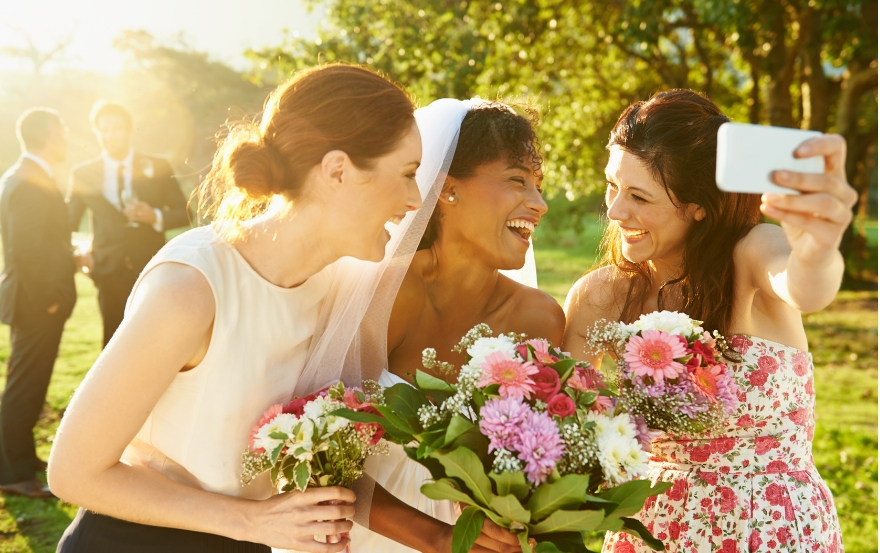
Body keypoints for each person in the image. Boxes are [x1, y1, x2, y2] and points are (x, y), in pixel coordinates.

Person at [49, 65, 518, 553]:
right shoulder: (193, 286)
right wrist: (252, 522)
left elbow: (324, 457)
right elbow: (74, 471)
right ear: (337, 170)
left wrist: (443, 537)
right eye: (405, 175)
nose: (414, 199)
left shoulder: (339, 287)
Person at [562, 90, 852, 552]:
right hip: (654, 530)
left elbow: (807, 287)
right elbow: (565, 433)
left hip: (769, 527)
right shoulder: (599, 295)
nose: (615, 211)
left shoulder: (753, 252)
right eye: (612, 185)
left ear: (698, 205)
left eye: (639, 196)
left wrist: (818, 246)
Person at [350, 99, 565, 552]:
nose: (540, 204)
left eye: (539, 185)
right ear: (447, 189)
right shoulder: (386, 295)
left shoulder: (538, 319)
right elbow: (317, 447)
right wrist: (440, 540)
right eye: (517, 181)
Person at [67, 101, 189, 347]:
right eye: (104, 130)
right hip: (108, 270)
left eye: (117, 129)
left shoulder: (158, 165)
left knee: (155, 340)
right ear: (97, 132)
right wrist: (80, 251)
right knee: (112, 343)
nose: (110, 135)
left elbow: (185, 213)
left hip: (151, 267)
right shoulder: (83, 173)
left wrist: (154, 215)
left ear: (129, 130)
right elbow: (66, 222)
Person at [0, 108, 76, 498]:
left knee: (29, 383)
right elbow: (26, 251)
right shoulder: (29, 182)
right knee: (24, 386)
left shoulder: (27, 176)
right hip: (35, 303)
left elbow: (41, 244)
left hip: (32, 300)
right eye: (62, 130)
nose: (66, 138)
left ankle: (21, 460)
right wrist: (50, 300)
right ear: (47, 135)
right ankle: (12, 473)